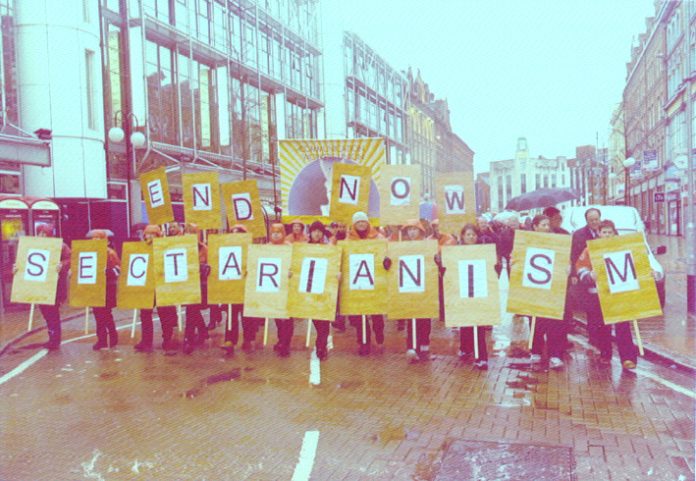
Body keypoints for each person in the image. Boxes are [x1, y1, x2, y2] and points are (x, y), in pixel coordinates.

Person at [576, 219, 639, 370]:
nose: (607, 235)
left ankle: (628, 358)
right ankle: (605, 353)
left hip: (619, 293)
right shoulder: (590, 250)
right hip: (599, 294)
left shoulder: (622, 247)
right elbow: (581, 267)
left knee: (623, 325)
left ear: (614, 233)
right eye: (604, 232)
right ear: (599, 233)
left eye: (610, 232)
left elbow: (635, 264)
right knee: (602, 326)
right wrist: (589, 276)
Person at [21, 223, 71, 351]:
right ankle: (52, 337)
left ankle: (55, 339)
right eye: (40, 233)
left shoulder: (60, 246)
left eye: (44, 233)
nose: (42, 235)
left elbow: (70, 259)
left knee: (52, 314)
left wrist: (62, 265)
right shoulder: (35, 247)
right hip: (41, 286)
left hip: (54, 287)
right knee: (47, 314)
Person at [347, 211, 388, 356]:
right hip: (358, 282)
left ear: (367, 223)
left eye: (363, 221)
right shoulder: (349, 241)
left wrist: (386, 262)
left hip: (375, 280)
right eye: (358, 222)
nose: (361, 224)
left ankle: (379, 335)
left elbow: (385, 255)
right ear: (354, 224)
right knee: (360, 315)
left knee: (376, 313)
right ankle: (364, 342)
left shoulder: (378, 238)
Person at [527, 214, 564, 369]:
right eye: (543, 224)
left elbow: (562, 259)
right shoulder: (526, 242)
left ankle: (554, 355)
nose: (546, 227)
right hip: (533, 288)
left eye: (547, 224)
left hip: (551, 287)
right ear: (535, 227)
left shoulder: (556, 241)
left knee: (553, 322)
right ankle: (536, 351)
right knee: (535, 321)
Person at [134, 225, 178, 353]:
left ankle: (167, 340)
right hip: (147, 286)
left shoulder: (165, 248)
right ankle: (146, 341)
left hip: (161, 286)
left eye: (153, 234)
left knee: (165, 314)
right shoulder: (140, 249)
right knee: (145, 314)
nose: (150, 237)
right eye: (148, 234)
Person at [220, 224, 261, 355]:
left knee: (246, 315)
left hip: (246, 287)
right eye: (233, 233)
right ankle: (230, 340)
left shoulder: (252, 250)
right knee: (231, 315)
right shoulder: (227, 249)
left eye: (238, 233)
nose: (235, 236)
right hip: (231, 286)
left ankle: (248, 339)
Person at [397, 219, 434, 363]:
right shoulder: (402, 247)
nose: (412, 232)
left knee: (425, 319)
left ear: (420, 231)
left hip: (425, 287)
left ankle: (424, 346)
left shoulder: (427, 246)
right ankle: (411, 347)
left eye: (414, 229)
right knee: (411, 318)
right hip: (409, 286)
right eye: (409, 229)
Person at [456, 224, 490, 369]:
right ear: (463, 236)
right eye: (468, 234)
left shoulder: (483, 251)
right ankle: (465, 348)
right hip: (463, 292)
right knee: (466, 324)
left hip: (479, 292)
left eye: (473, 235)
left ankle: (481, 357)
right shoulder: (456, 252)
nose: (471, 237)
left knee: (479, 325)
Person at [570, 208, 602, 345]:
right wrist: (574, 274)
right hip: (587, 277)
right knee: (591, 309)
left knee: (603, 310)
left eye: (596, 219)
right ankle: (594, 337)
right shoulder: (578, 235)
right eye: (591, 220)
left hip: (604, 278)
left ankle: (602, 338)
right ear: (587, 221)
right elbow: (573, 255)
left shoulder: (606, 232)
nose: (594, 222)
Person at [543, 206, 573, 351]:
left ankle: (563, 339)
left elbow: (571, 255)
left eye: (560, 218)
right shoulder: (539, 235)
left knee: (564, 312)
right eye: (556, 219)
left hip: (562, 280)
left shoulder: (565, 234)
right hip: (545, 281)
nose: (559, 221)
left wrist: (571, 272)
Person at [90, 230, 120, 350]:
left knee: (106, 313)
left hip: (108, 287)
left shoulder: (110, 253)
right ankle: (102, 339)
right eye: (94, 238)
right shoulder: (90, 253)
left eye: (98, 238)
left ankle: (112, 336)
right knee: (98, 313)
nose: (96, 240)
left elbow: (118, 269)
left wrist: (107, 272)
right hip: (95, 287)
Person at [182, 223, 210, 355]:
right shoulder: (180, 248)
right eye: (187, 232)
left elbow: (209, 265)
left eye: (192, 232)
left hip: (199, 284)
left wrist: (203, 268)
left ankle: (189, 339)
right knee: (192, 310)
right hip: (186, 284)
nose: (189, 235)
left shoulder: (203, 248)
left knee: (191, 310)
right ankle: (202, 332)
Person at [307, 221, 332, 361]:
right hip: (310, 289)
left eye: (319, 231)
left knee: (324, 320)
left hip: (325, 288)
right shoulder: (303, 248)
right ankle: (321, 343)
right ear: (310, 232)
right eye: (314, 230)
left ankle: (321, 346)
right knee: (317, 319)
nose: (317, 233)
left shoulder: (328, 248)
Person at [269, 223, 294, 357]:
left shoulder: (289, 248)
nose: (276, 234)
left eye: (279, 232)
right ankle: (281, 339)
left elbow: (295, 264)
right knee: (277, 316)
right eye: (274, 232)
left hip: (287, 287)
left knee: (287, 316)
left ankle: (286, 342)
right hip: (273, 287)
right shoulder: (266, 248)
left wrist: (291, 272)